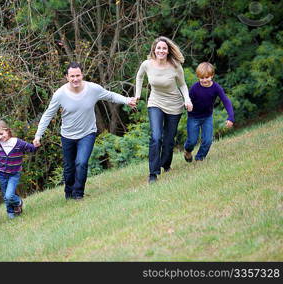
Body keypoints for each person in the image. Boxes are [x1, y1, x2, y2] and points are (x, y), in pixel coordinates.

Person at [33, 62, 137, 200]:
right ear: (67, 77)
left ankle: (78, 194)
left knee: (81, 163)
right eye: (72, 76)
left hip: (88, 133)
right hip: (67, 136)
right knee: (69, 168)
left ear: (82, 75)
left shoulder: (93, 89)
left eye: (78, 75)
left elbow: (110, 95)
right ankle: (69, 193)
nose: (75, 79)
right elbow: (48, 115)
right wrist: (38, 135)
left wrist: (127, 100)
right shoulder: (60, 94)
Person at [135, 36, 193, 184]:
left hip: (174, 104)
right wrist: (137, 94)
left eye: (164, 48)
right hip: (155, 102)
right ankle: (153, 174)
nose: (161, 50)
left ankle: (166, 164)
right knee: (156, 137)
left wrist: (187, 99)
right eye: (159, 48)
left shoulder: (175, 66)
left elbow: (182, 85)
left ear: (168, 51)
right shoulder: (147, 64)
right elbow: (139, 77)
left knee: (168, 140)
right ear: (154, 49)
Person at [184, 62, 234, 162]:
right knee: (192, 141)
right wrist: (187, 105)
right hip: (193, 117)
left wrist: (231, 117)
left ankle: (199, 158)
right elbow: (187, 100)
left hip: (207, 117)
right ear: (198, 77)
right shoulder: (194, 88)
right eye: (201, 78)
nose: (204, 80)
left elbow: (225, 100)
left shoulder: (216, 88)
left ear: (212, 76)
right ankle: (187, 151)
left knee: (208, 140)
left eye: (207, 77)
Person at [0, 120, 37, 219]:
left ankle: (18, 202)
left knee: (9, 196)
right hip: (2, 173)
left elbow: (31, 148)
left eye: (2, 134)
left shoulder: (18, 143)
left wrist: (36, 144)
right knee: (5, 196)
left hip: (14, 174)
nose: (0, 137)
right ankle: (11, 214)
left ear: (8, 131)